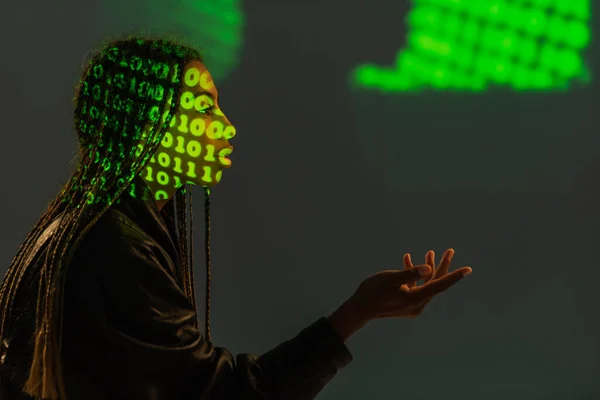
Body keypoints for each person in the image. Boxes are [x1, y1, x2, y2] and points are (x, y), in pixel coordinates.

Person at [0, 37, 472, 400]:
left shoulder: (84, 231)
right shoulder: (115, 249)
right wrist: (356, 314)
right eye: (204, 107)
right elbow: (223, 396)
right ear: (149, 124)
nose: (227, 127)